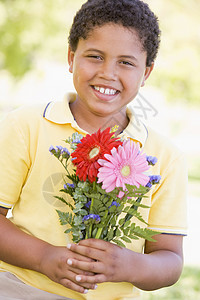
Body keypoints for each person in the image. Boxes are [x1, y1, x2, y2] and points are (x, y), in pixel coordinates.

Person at [0, 0, 187, 299]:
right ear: (72, 57)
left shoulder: (165, 156)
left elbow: (170, 259)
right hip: (21, 287)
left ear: (146, 72)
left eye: (126, 62)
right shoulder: (26, 125)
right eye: (95, 56)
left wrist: (129, 266)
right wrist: (44, 257)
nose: (107, 73)